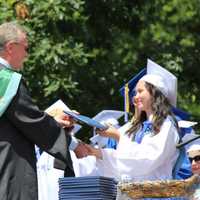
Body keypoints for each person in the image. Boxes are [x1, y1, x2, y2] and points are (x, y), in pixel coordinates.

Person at [0, 21, 87, 200]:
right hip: (9, 169)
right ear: (10, 47)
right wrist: (73, 144)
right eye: (25, 48)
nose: (27, 54)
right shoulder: (6, 81)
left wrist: (52, 120)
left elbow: (18, 119)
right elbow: (32, 122)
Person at [82, 59, 180, 199]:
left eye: (140, 91)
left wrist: (119, 137)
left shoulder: (166, 125)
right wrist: (97, 153)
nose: (135, 97)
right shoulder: (133, 127)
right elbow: (123, 163)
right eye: (134, 93)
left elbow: (148, 159)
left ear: (154, 93)